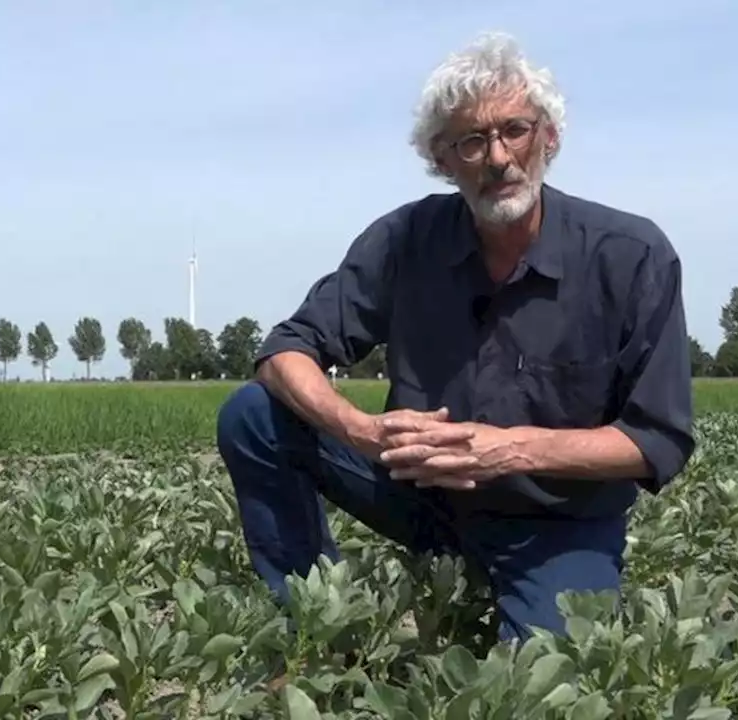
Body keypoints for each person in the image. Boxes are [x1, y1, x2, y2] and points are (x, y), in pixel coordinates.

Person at [215, 31, 696, 644]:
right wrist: (359, 431)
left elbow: (658, 439)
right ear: (442, 160)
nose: (498, 157)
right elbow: (285, 351)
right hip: (422, 500)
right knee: (256, 413)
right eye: (471, 140)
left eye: (516, 130)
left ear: (549, 138)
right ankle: (316, 626)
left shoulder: (629, 257)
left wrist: (511, 449)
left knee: (538, 690)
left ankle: (513, 594)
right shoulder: (406, 240)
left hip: (555, 525)